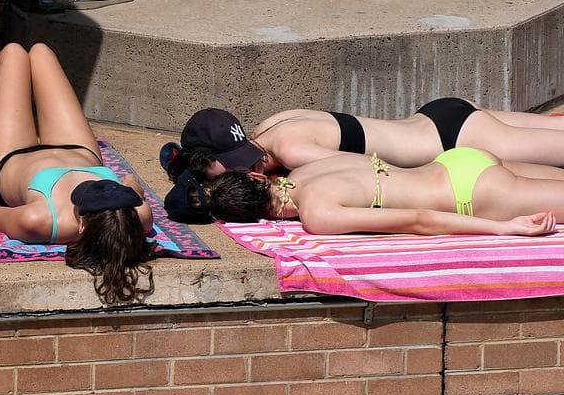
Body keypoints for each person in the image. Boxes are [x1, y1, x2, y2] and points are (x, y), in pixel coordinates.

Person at [0, 43, 156, 304]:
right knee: (41, 52)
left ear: (81, 225)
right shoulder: (137, 216)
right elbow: (131, 183)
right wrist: (128, 186)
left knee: (12, 54)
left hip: (16, 156)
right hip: (79, 151)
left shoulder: (41, 220)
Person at [164, 100, 564, 182]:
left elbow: (375, 173)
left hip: (454, 138)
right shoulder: (272, 125)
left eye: (239, 161)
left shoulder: (291, 151)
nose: (245, 167)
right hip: (438, 114)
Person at [200, 147, 560, 237]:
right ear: (261, 179)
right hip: (457, 161)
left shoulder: (317, 213)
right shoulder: (304, 171)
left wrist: (505, 228)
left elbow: (419, 221)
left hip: (476, 194)